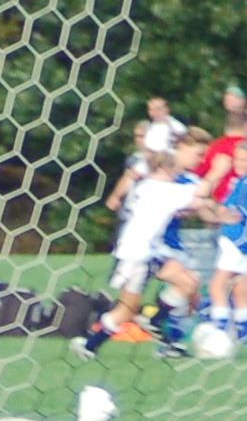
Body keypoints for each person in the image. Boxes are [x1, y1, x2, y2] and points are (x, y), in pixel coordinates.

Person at [87, 149, 203, 348]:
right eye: (174, 168)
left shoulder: (150, 186)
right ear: (164, 168)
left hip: (154, 251)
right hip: (136, 254)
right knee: (127, 310)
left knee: (189, 282)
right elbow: (200, 195)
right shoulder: (160, 189)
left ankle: (155, 320)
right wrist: (218, 173)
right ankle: (90, 345)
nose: (177, 173)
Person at [199, 116, 247, 335]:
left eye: (245, 160)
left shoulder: (246, 183)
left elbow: (230, 212)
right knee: (240, 288)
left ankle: (219, 329)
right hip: (244, 241)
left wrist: (211, 205)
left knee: (216, 286)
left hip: (235, 239)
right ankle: (245, 332)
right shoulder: (246, 182)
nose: (239, 164)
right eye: (237, 159)